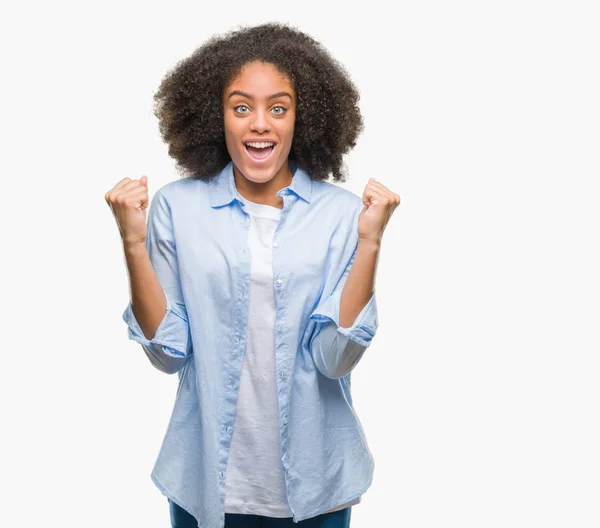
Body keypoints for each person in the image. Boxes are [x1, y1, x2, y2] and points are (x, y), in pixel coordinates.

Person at [105, 22, 400, 528]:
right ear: (216, 116)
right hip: (207, 482)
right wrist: (132, 242)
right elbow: (168, 355)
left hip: (318, 483)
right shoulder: (177, 207)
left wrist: (371, 241)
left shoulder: (344, 216)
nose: (259, 124)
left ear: (301, 119)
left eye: (277, 108)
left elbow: (335, 359)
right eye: (242, 107)